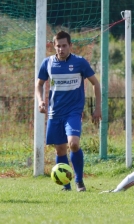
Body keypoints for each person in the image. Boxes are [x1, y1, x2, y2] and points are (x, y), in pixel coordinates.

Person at [35, 31, 102, 192]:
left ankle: (79, 181)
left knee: (73, 144)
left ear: (70, 46)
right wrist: (40, 101)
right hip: (55, 113)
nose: (61, 49)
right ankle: (66, 185)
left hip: (73, 112)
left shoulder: (80, 63)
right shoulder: (48, 63)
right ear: (54, 46)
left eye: (64, 45)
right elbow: (39, 84)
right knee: (60, 149)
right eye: (58, 46)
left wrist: (97, 108)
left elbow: (96, 84)